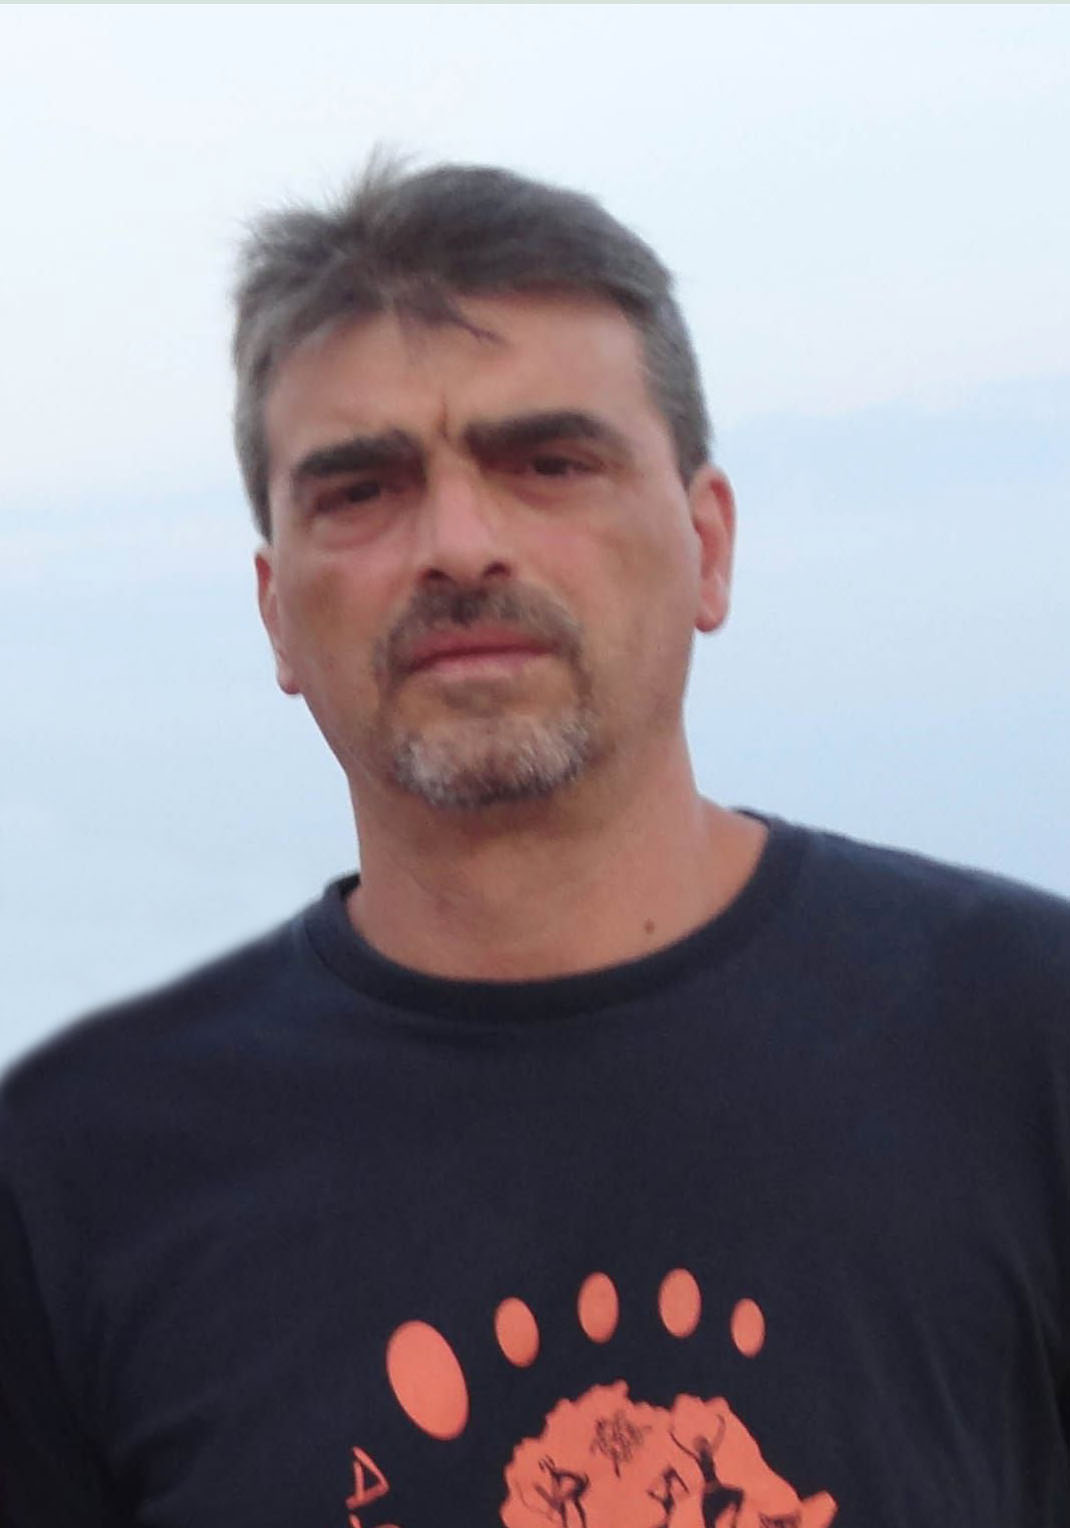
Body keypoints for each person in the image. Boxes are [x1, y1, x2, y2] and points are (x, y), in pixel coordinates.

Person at [1, 157, 1068, 1528]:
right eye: (361, 489)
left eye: (550, 464)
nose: (459, 544)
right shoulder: (73, 1176)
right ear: (275, 612)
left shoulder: (1024, 1042)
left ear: (708, 545)